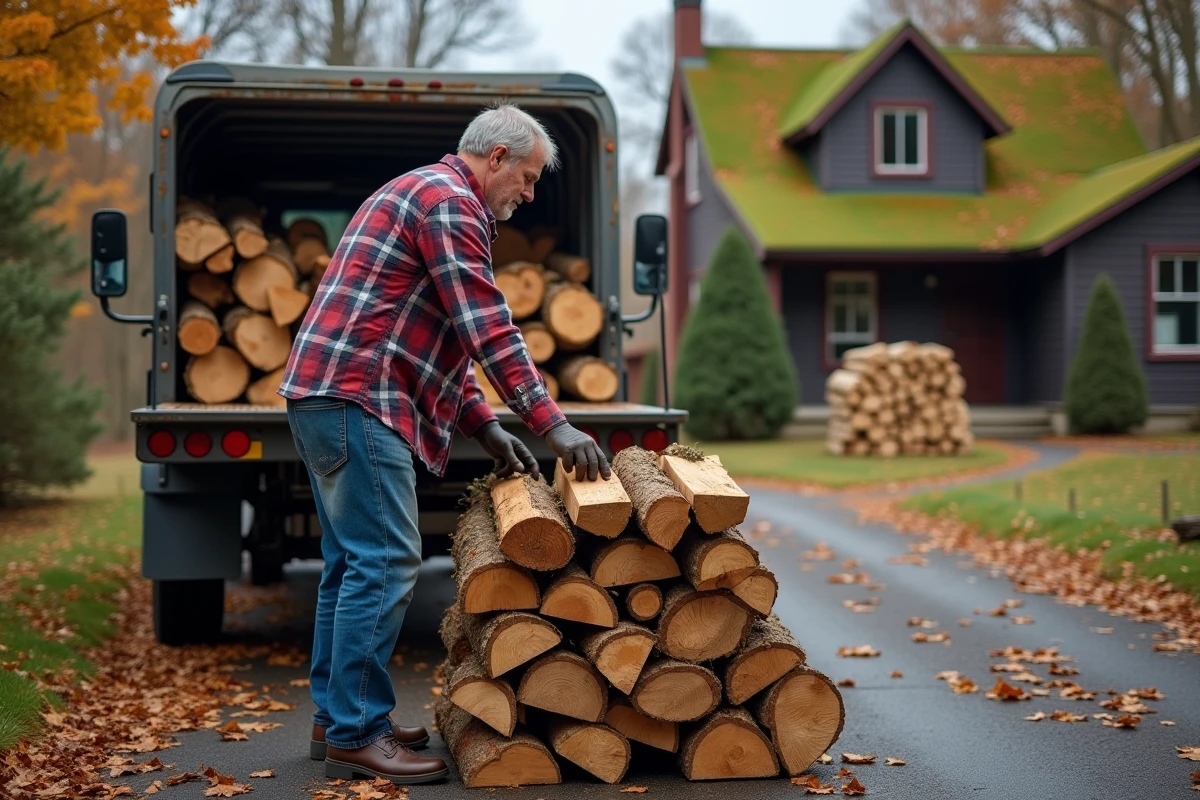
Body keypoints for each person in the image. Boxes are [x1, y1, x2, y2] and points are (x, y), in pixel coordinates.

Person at [277, 103, 611, 785]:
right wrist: (552, 423)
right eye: (526, 175)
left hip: (330, 394)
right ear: (495, 158)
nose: (529, 191)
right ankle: (356, 733)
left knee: (348, 566)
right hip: (359, 397)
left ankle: (336, 716)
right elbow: (487, 325)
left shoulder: (429, 194)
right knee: (386, 561)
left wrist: (485, 424)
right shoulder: (449, 203)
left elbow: (439, 337)